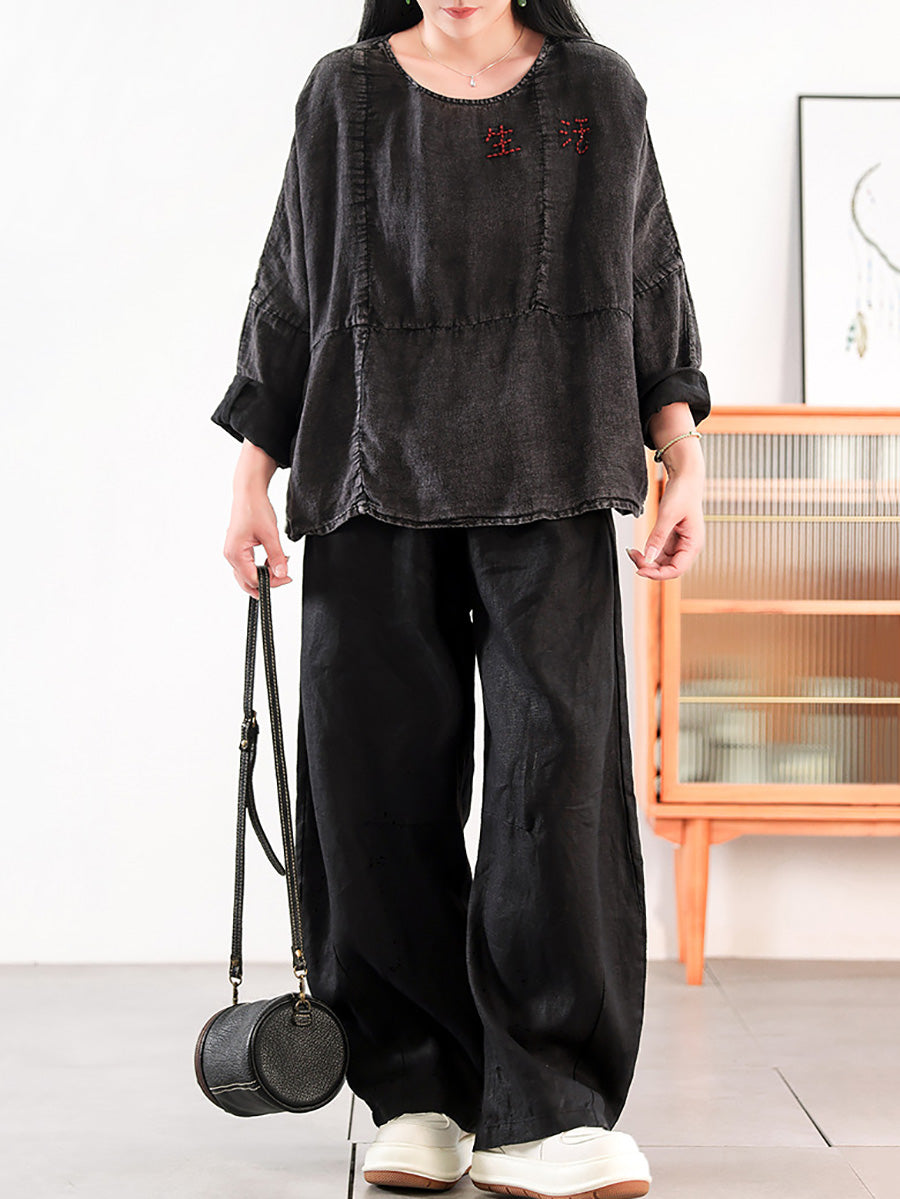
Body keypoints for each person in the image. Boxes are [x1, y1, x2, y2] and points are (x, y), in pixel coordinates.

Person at [212, 2, 710, 1196]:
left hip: (555, 470)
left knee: (559, 782)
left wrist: (684, 453)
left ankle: (552, 1103)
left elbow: (647, 272)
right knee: (374, 790)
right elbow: (293, 286)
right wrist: (248, 479)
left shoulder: (595, 93)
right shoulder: (345, 93)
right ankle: (417, 1088)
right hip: (368, 473)